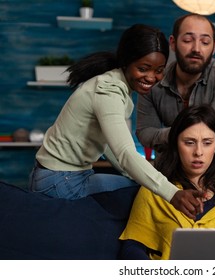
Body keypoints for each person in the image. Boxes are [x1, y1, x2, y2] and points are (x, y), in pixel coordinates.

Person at [28, 24, 203, 219]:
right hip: (59, 180)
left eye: (159, 70)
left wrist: (136, 173)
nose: (152, 77)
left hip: (65, 175)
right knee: (143, 194)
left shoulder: (113, 82)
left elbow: (110, 146)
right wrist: (173, 194)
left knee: (144, 186)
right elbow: (125, 152)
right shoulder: (109, 91)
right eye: (143, 68)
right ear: (126, 62)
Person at [119, 105, 215, 260]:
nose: (198, 152)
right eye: (189, 142)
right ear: (176, 144)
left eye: (207, 142)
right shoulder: (154, 188)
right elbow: (132, 248)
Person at [136, 13, 215, 168]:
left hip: (209, 175)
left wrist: (211, 184)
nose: (196, 49)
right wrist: (179, 133)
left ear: (214, 47)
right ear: (173, 43)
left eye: (205, 42)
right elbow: (144, 132)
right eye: (187, 40)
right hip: (164, 177)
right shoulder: (155, 74)